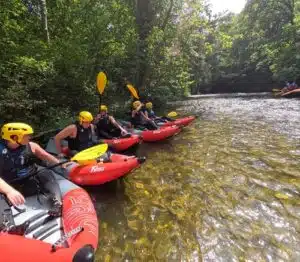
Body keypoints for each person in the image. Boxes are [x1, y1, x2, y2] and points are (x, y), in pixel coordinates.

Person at [0, 123, 63, 235]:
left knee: (45, 172)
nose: (29, 137)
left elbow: (46, 156)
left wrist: (62, 164)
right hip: (6, 188)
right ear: (14, 137)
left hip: (27, 184)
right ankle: (8, 226)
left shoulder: (31, 146)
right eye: (26, 135)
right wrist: (9, 191)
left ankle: (56, 203)